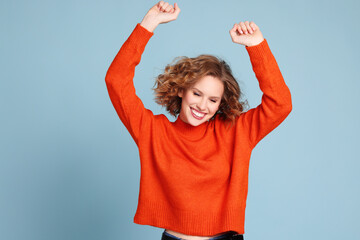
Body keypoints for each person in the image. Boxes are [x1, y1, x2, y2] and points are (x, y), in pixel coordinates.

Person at [105, 1, 292, 240]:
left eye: (213, 100)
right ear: (181, 90)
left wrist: (256, 46)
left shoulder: (236, 132)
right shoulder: (153, 131)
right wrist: (149, 23)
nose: (203, 106)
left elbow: (281, 104)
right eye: (197, 93)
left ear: (221, 103)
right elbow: (116, 80)